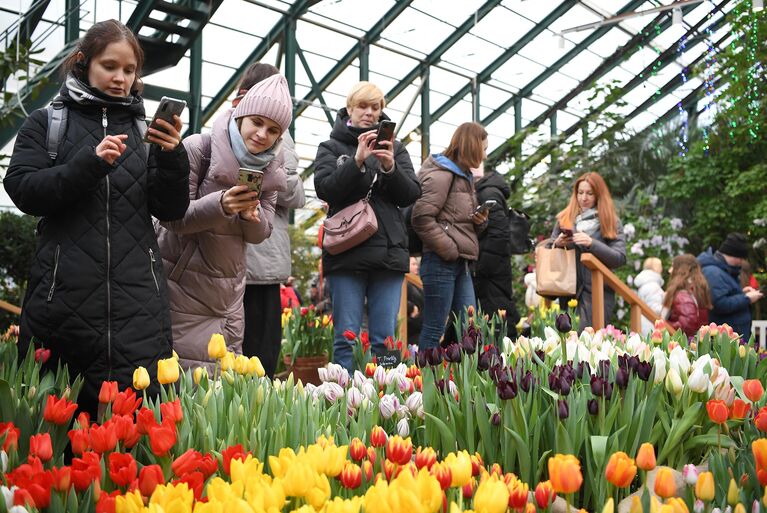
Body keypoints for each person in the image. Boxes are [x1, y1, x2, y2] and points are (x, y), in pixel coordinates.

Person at [4, 19, 190, 416]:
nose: (120, 78)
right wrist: (88, 165)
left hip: (138, 308)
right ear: (83, 62)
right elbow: (23, 190)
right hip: (63, 307)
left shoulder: (145, 132)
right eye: (110, 66)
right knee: (61, 436)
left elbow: (171, 210)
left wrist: (174, 157)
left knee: (132, 439)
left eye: (129, 70)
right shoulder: (48, 123)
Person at [156, 74, 291, 371]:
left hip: (229, 294)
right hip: (183, 286)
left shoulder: (270, 172)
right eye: (257, 121)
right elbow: (173, 218)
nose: (262, 134)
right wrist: (222, 205)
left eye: (273, 130)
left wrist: (251, 219)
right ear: (241, 115)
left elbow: (261, 234)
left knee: (218, 390)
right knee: (178, 384)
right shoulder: (198, 149)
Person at [314, 81, 420, 373]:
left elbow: (411, 194)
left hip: (387, 254)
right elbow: (325, 189)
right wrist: (357, 162)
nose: (369, 113)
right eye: (363, 106)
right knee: (345, 337)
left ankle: (386, 395)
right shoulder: (331, 147)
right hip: (346, 252)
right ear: (349, 108)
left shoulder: (395, 148)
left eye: (376, 107)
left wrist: (389, 169)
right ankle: (342, 404)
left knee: (385, 340)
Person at [237, 63, 306, 378]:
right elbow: (294, 193)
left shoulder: (272, 133)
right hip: (252, 255)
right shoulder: (248, 128)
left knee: (255, 351)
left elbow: (297, 196)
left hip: (259, 256)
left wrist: (273, 177)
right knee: (255, 351)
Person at [412, 122, 489, 349]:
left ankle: (468, 383)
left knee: (469, 328)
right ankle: (422, 380)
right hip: (441, 262)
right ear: (472, 147)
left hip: (460, 262)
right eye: (483, 148)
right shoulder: (441, 175)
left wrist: (480, 221)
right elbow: (421, 218)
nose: (485, 154)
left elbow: (456, 221)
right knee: (435, 327)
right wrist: (449, 249)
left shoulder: (464, 176)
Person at [551, 172, 626, 331]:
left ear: (598, 195)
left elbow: (619, 258)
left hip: (598, 294)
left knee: (592, 344)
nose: (584, 198)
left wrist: (592, 243)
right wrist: (557, 243)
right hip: (568, 291)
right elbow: (548, 250)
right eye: (580, 193)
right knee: (569, 345)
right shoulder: (565, 220)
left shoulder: (611, 221)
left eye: (589, 193)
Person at [473, 164, 520, 339]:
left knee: (497, 323)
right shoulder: (487, 190)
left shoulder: (488, 193)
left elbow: (499, 235)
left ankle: (502, 362)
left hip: (491, 274)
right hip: (494, 271)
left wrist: (480, 268)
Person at [698, 232, 763, 340]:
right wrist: (747, 298)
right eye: (742, 258)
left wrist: (742, 293)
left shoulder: (722, 270)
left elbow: (726, 294)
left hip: (731, 337)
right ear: (735, 255)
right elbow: (719, 303)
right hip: (725, 341)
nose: (742, 262)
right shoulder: (713, 272)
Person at [662, 254, 711, 338]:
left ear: (681, 269)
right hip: (696, 342)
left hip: (683, 344)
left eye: (673, 267)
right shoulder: (696, 289)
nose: (670, 270)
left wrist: (665, 326)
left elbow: (687, 323)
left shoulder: (683, 294)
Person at [635, 257, 665, 335]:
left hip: (644, 324)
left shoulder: (645, 284)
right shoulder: (653, 286)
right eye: (660, 266)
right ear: (656, 268)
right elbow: (655, 309)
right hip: (650, 327)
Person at [406, 256, 424, 346]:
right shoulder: (405, 282)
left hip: (419, 328)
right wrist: (411, 308)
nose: (416, 267)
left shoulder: (419, 282)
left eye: (417, 264)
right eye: (413, 264)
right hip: (409, 329)